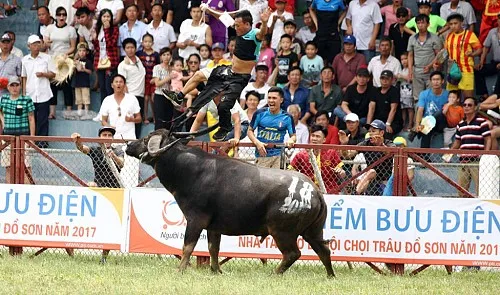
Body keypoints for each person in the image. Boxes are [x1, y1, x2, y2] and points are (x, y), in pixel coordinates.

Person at [165, 9, 271, 141]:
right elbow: (223, 18)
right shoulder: (239, 28)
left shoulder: (254, 34)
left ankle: (225, 127)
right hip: (228, 70)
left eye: (238, 25)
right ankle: (179, 96)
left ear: (247, 24)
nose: (235, 28)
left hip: (239, 78)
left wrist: (265, 22)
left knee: (224, 105)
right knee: (198, 75)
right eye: (235, 25)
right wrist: (208, 10)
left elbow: (262, 33)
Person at [71, 126, 124, 264]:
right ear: (99, 137)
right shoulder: (95, 150)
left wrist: (112, 156)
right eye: (104, 135)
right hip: (99, 190)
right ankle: (73, 246)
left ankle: (104, 256)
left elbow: (122, 163)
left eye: (109, 135)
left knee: (110, 224)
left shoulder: (117, 150)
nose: (107, 137)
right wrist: (77, 141)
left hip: (115, 191)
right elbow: (83, 149)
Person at [342, 120, 396, 195]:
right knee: (370, 172)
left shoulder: (389, 143)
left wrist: (381, 145)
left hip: (385, 181)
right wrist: (344, 145)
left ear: (382, 133)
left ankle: (354, 194)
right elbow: (348, 155)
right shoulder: (366, 142)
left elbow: (391, 153)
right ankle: (355, 194)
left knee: (371, 172)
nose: (370, 133)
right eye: (369, 131)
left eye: (373, 131)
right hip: (369, 180)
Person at [451, 97, 491, 197]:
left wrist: (485, 156)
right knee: (461, 190)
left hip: (476, 161)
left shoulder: (482, 122)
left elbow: (488, 139)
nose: (466, 107)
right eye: (464, 105)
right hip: (463, 161)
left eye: (470, 105)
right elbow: (457, 143)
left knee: (480, 189)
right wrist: (448, 153)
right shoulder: (460, 124)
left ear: (475, 107)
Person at [289, 124, 346, 194]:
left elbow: (343, 174)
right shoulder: (301, 155)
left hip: (330, 191)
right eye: (313, 136)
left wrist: (341, 172)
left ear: (324, 139)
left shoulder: (332, 153)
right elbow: (289, 171)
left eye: (318, 136)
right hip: (307, 191)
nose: (314, 139)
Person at [247, 87, 296, 169]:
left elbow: (293, 135)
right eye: (269, 98)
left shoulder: (287, 117)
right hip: (262, 155)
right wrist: (257, 143)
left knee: (278, 181)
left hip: (279, 157)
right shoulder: (259, 113)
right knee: (261, 181)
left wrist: (291, 140)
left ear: (281, 100)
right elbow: (249, 131)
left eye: (274, 98)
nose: (271, 100)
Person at [438, 14, 482, 99]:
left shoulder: (470, 35)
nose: (453, 26)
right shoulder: (449, 36)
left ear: (461, 23)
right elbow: (444, 51)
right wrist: (438, 62)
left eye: (455, 23)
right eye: (451, 24)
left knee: (468, 98)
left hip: (466, 70)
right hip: (452, 71)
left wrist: (472, 54)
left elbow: (479, 49)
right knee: (452, 98)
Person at [43, 6, 77, 119]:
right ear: (56, 16)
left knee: (67, 85)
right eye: (59, 15)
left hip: (65, 60)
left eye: (64, 15)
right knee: (53, 86)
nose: (62, 17)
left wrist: (65, 54)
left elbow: (73, 47)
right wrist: (47, 43)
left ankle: (68, 112)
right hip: (52, 59)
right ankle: (52, 112)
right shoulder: (50, 28)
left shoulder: (71, 30)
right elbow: (45, 44)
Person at [0, 76, 35, 184]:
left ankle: (27, 191)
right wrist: (3, 122)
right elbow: (0, 111)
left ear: (20, 86)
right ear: (8, 87)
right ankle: (10, 189)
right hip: (7, 138)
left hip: (23, 137)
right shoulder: (3, 99)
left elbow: (31, 118)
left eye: (17, 85)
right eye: (12, 85)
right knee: (8, 166)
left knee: (26, 167)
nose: (14, 88)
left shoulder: (27, 99)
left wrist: (32, 138)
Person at [21, 35, 55, 138]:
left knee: (43, 120)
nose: (36, 46)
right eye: (34, 44)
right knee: (30, 119)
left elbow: (53, 74)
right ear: (29, 46)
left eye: (38, 43)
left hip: (43, 93)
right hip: (30, 94)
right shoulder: (24, 60)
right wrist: (23, 94)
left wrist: (44, 74)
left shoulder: (47, 58)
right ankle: (30, 143)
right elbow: (23, 77)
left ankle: (42, 144)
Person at [407, 14, 443, 103]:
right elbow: (410, 55)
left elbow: (438, 55)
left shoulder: (434, 37)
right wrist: (410, 71)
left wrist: (430, 66)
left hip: (430, 72)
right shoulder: (412, 38)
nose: (420, 25)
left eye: (422, 23)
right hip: (417, 71)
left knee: (431, 97)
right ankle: (418, 116)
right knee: (417, 98)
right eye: (418, 23)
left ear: (428, 24)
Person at [409, 71, 449, 149]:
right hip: (427, 125)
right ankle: (424, 156)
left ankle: (417, 132)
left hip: (440, 124)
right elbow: (420, 109)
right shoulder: (424, 94)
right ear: (430, 81)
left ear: (442, 81)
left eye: (438, 79)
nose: (436, 82)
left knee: (439, 113)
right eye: (433, 80)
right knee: (427, 129)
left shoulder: (447, 94)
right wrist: (417, 124)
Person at [118, 38, 146, 139]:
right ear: (124, 49)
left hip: (141, 95)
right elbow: (122, 83)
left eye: (132, 47)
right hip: (131, 96)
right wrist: (128, 98)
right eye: (127, 48)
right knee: (130, 123)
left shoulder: (139, 61)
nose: (130, 50)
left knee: (138, 122)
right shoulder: (122, 65)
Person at [100, 74, 142, 139]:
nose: (118, 84)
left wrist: (131, 119)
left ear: (125, 85)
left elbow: (139, 119)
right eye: (116, 82)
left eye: (121, 82)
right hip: (113, 138)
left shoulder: (132, 99)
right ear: (112, 85)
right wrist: (110, 127)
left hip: (129, 138)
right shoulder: (107, 100)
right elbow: (103, 121)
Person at [92, 9, 120, 102]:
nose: (106, 19)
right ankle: (103, 111)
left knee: (109, 88)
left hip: (110, 61)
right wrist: (94, 39)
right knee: (102, 88)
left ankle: (111, 110)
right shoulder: (97, 28)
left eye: (108, 16)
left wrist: (107, 30)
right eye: (104, 16)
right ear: (101, 18)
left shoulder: (114, 29)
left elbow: (111, 44)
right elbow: (96, 47)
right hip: (100, 61)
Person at [367, 70, 403, 139]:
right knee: (369, 133)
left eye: (387, 79)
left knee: (386, 133)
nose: (384, 81)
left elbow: (393, 109)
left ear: (392, 80)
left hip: (393, 122)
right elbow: (371, 108)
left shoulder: (394, 91)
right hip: (378, 121)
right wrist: (368, 124)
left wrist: (388, 123)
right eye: (382, 78)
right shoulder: (376, 91)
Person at [309, 0, 344, 65]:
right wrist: (316, 23)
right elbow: (311, 9)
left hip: (333, 34)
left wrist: (338, 23)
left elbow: (345, 10)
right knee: (321, 59)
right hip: (321, 33)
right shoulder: (317, 1)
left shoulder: (339, 1)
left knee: (335, 59)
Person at [475, 14, 500, 100]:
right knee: (478, 70)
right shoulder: (492, 32)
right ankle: (484, 95)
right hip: (495, 62)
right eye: (499, 19)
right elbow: (485, 47)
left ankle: (495, 97)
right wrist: (481, 62)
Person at [137, 33, 160, 124]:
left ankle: (155, 118)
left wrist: (155, 78)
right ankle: (145, 117)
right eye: (145, 41)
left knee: (153, 99)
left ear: (153, 43)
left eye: (149, 42)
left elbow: (158, 67)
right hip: (143, 79)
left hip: (153, 79)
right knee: (145, 99)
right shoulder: (139, 54)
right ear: (142, 43)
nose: (147, 43)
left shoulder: (156, 54)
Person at [151, 47, 172, 130]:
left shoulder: (172, 68)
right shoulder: (157, 68)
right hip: (159, 95)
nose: (166, 57)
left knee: (168, 121)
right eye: (164, 55)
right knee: (159, 121)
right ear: (161, 57)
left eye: (168, 54)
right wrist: (169, 77)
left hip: (170, 97)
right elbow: (157, 83)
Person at [73, 42, 93, 119]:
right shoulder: (76, 61)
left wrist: (83, 69)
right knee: (78, 99)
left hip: (85, 83)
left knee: (86, 99)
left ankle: (86, 112)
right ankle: (79, 113)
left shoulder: (88, 61)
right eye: (80, 51)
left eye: (84, 51)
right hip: (77, 83)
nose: (82, 53)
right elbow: (73, 72)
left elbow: (90, 71)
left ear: (87, 52)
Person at [398, 52, 414, 131]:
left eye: (405, 59)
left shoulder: (412, 69)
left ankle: (410, 124)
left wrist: (402, 76)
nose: (404, 61)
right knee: (403, 109)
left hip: (409, 92)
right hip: (402, 92)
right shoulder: (402, 69)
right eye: (402, 59)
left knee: (410, 108)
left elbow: (411, 79)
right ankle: (403, 123)